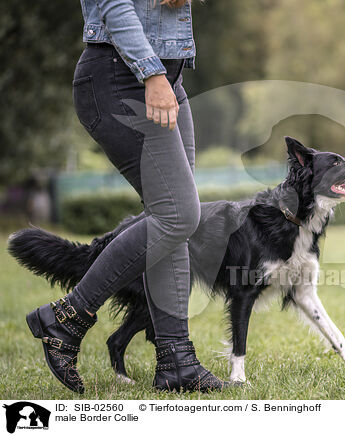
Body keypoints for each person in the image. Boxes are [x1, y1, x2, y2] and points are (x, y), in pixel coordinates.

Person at [25, 0, 229, 394]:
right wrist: (151, 73)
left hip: (168, 80)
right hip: (124, 78)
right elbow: (112, 4)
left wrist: (161, 77)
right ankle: (67, 316)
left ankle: (176, 363)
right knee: (178, 214)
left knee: (174, 222)